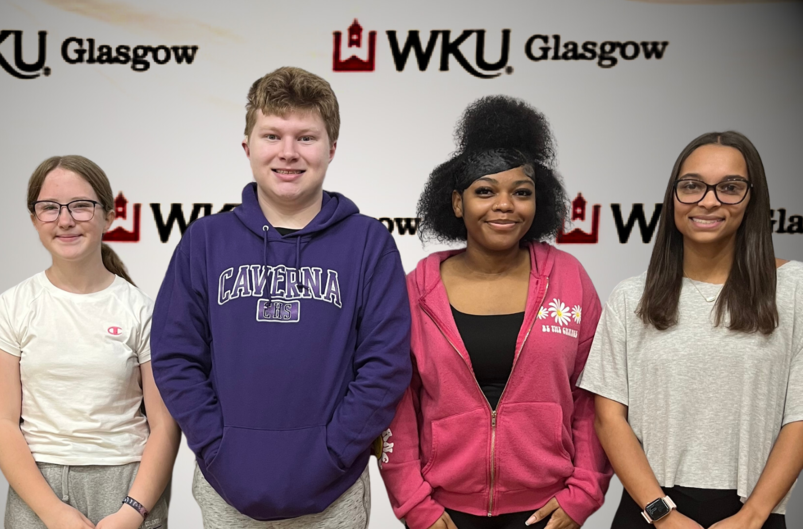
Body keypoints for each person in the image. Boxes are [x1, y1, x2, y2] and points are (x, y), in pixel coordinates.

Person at [150, 66, 412, 528]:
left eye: (305, 138)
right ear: (247, 146)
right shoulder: (205, 241)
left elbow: (385, 365)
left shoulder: (369, 243)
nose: (288, 153)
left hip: (335, 490)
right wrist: (216, 446)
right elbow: (175, 357)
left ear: (331, 148)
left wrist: (334, 451)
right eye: (272, 135)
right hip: (227, 485)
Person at [380, 96, 612, 529]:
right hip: (443, 513)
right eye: (484, 191)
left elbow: (593, 398)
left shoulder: (569, 279)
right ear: (455, 203)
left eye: (520, 193)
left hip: (546, 511)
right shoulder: (417, 289)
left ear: (537, 202)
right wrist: (414, 504)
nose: (504, 205)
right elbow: (397, 405)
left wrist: (583, 494)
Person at [578, 131, 803, 529]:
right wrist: (661, 514)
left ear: (753, 198)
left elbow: (800, 416)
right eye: (692, 185)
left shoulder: (795, 289)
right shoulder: (632, 297)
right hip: (650, 511)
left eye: (730, 187)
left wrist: (753, 516)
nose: (709, 200)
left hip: (753, 513)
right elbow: (609, 419)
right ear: (674, 196)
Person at [0, 155, 179, 529]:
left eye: (82, 206)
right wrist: (52, 511)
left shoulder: (142, 311)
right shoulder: (13, 306)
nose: (66, 219)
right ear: (34, 218)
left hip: (127, 485)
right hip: (38, 490)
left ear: (109, 214)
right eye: (49, 208)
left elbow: (165, 425)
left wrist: (132, 511)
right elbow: (1, 420)